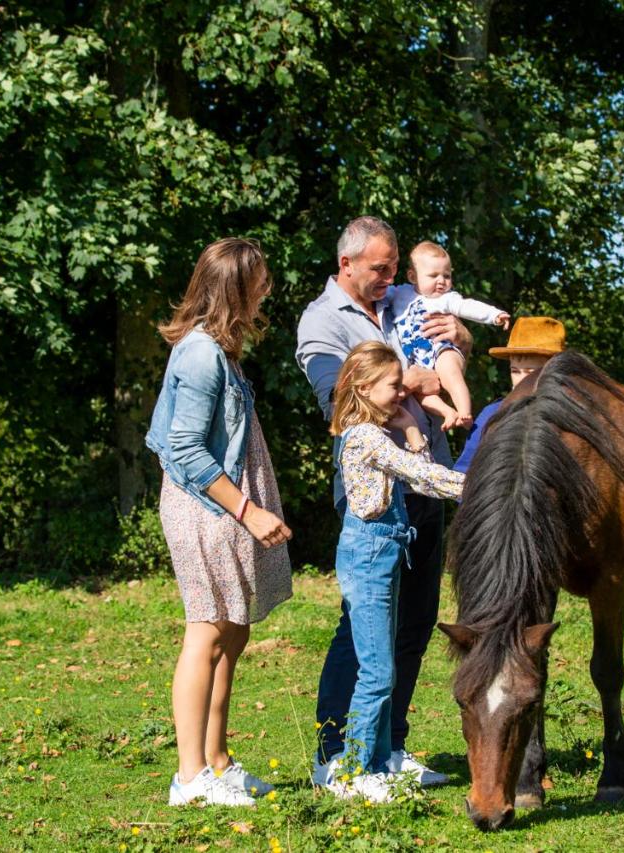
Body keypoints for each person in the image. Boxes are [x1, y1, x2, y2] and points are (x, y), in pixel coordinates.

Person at [296, 216, 471, 788]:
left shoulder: (405, 297)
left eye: (395, 267)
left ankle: (389, 748)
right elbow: (337, 398)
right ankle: (333, 754)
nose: (390, 278)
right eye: (379, 268)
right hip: (374, 495)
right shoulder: (322, 322)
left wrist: (456, 346)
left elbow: (455, 341)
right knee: (365, 625)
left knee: (417, 619)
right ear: (346, 264)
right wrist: (413, 389)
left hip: (427, 481)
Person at [145, 238, 294, 807]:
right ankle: (189, 778)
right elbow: (183, 449)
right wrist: (247, 509)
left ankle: (217, 761)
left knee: (234, 629)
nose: (266, 291)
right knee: (206, 630)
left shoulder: (221, 351)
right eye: (259, 282)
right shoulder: (201, 353)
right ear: (234, 287)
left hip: (224, 505)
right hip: (205, 508)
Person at [323, 341, 465, 801]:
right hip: (367, 558)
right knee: (378, 671)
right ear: (364, 388)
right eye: (393, 387)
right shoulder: (364, 437)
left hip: (383, 557)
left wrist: (411, 430)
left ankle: (380, 762)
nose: (402, 394)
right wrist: (481, 486)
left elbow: (416, 472)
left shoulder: (376, 432)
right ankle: (354, 772)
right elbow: (423, 477)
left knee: (380, 663)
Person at [390, 241, 510, 430]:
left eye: (446, 276)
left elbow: (468, 306)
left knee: (450, 373)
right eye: (433, 275)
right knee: (420, 395)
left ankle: (464, 411)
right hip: (417, 360)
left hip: (441, 348)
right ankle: (448, 412)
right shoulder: (399, 293)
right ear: (413, 276)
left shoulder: (446, 298)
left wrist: (494, 315)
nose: (441, 281)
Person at [453, 316, 567, 474]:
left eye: (531, 372)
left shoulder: (569, 417)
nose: (522, 380)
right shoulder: (492, 414)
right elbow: (464, 472)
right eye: (515, 371)